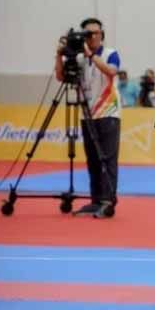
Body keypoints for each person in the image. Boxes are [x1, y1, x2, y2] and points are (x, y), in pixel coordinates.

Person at [54, 17, 121, 218]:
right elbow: (60, 77)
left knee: (107, 159)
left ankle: (108, 201)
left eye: (96, 33)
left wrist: (91, 55)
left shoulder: (111, 54)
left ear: (102, 35)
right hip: (87, 114)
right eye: (88, 34)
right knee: (92, 159)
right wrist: (59, 55)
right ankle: (95, 200)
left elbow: (111, 71)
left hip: (108, 113)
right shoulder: (80, 58)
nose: (92, 37)